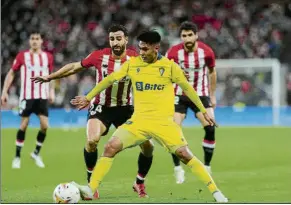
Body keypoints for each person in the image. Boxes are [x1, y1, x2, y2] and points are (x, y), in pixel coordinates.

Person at [70, 30, 228, 202]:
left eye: (145, 49)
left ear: (156, 48)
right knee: (110, 146)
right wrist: (88, 96)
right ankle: (90, 189)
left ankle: (215, 191)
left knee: (184, 154)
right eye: (140, 49)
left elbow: (189, 89)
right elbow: (109, 80)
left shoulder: (170, 66)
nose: (141, 53)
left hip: (164, 124)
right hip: (139, 122)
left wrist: (204, 111)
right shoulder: (133, 64)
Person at [31, 24, 154, 198]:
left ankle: (139, 182)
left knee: (148, 146)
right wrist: (50, 77)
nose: (115, 42)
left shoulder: (136, 57)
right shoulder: (99, 56)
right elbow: (74, 67)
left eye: (119, 38)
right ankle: (91, 184)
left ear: (126, 39)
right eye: (112, 39)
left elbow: (158, 67)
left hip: (126, 108)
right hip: (100, 107)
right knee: (92, 141)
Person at [165, 21, 218, 183]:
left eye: (190, 35)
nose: (187, 38)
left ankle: (207, 166)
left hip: (200, 95)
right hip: (179, 95)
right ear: (181, 37)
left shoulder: (207, 52)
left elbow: (212, 72)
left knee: (210, 127)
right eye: (184, 35)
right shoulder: (173, 53)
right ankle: (178, 168)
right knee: (173, 130)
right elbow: (165, 74)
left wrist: (212, 95)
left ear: (196, 35)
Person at [1, 30, 55, 169]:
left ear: (42, 41)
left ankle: (36, 153)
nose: (35, 41)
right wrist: (4, 91)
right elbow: (11, 73)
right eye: (32, 38)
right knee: (24, 124)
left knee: (45, 126)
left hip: (42, 96)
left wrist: (52, 91)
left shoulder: (48, 57)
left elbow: (51, 75)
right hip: (27, 96)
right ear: (29, 41)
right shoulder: (22, 56)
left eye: (37, 38)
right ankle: (17, 157)